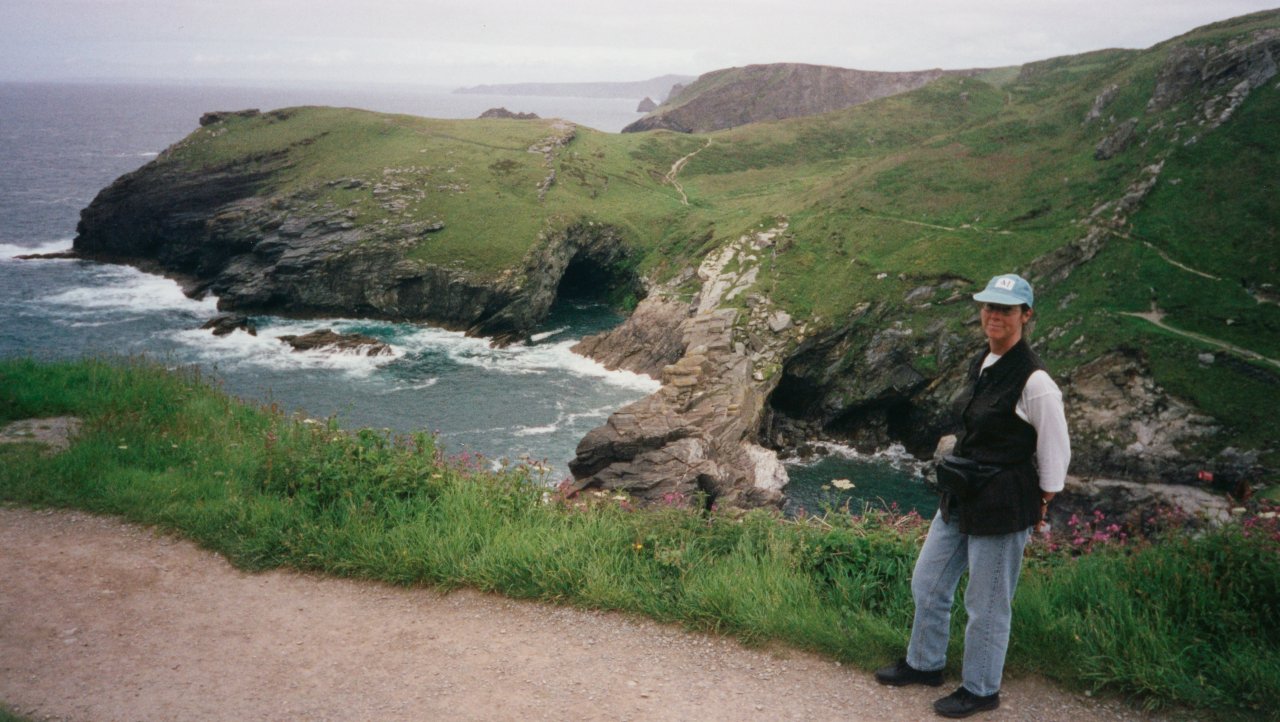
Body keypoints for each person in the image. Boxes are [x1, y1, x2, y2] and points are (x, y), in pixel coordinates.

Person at [874, 273, 1070, 718]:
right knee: (929, 581)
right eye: (988, 306)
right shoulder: (985, 360)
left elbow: (1055, 450)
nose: (994, 315)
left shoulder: (1036, 381)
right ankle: (925, 664)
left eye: (1005, 309)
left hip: (1004, 501)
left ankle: (981, 689)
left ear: (1026, 315)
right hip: (964, 491)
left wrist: (1041, 503)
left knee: (987, 602)